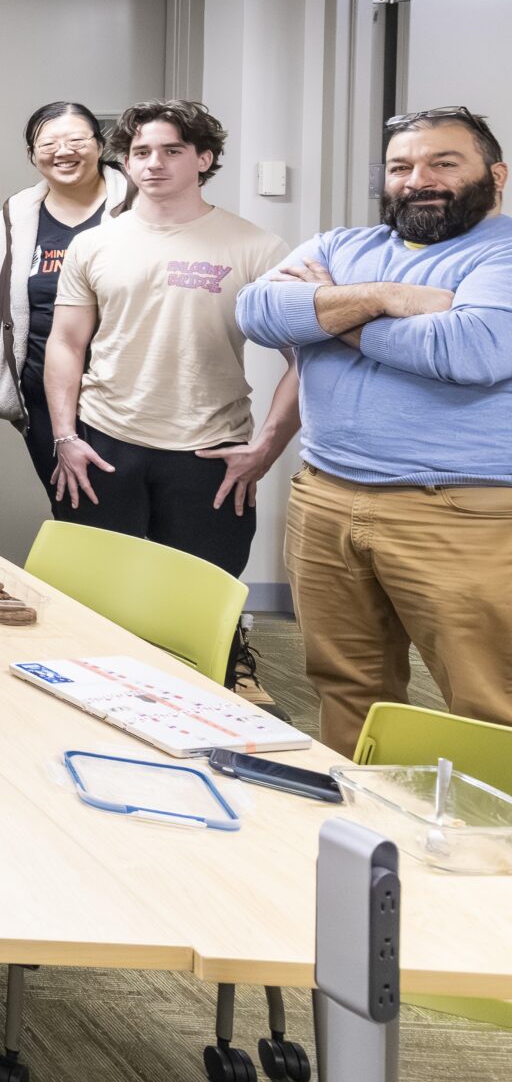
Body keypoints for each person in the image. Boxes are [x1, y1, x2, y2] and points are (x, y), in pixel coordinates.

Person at [236, 106, 512, 756]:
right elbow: (256, 311)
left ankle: (491, 850)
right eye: (401, 166)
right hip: (325, 498)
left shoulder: (502, 254)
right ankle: (365, 838)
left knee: (487, 701)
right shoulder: (340, 245)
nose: (419, 179)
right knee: (346, 687)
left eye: (444, 163)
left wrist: (329, 311)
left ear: (496, 175)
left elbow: (469, 351)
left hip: (457, 512)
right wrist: (391, 298)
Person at [44, 100, 294, 578]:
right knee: (95, 595)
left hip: (209, 451)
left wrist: (265, 449)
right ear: (126, 160)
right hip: (104, 444)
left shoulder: (257, 248)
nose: (153, 163)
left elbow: (305, 359)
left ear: (204, 159)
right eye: (141, 152)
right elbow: (66, 344)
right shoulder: (94, 244)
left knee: (198, 597)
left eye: (171, 150)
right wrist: (65, 436)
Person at [0, 101, 135, 491]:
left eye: (76, 139)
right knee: (71, 509)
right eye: (47, 145)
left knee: (124, 515)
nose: (63, 152)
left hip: (129, 395)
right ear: (33, 156)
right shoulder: (17, 213)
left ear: (100, 145)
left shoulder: (138, 205)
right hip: (43, 395)